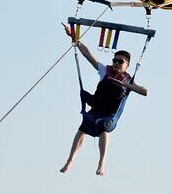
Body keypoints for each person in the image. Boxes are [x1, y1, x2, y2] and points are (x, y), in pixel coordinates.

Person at [59, 23, 148, 176]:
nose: (116, 63)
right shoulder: (105, 70)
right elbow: (88, 55)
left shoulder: (128, 80)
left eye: (120, 61)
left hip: (110, 115)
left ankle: (102, 163)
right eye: (115, 60)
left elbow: (145, 92)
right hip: (97, 108)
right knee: (84, 126)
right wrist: (74, 37)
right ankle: (70, 160)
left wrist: (125, 84)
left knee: (103, 127)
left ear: (127, 65)